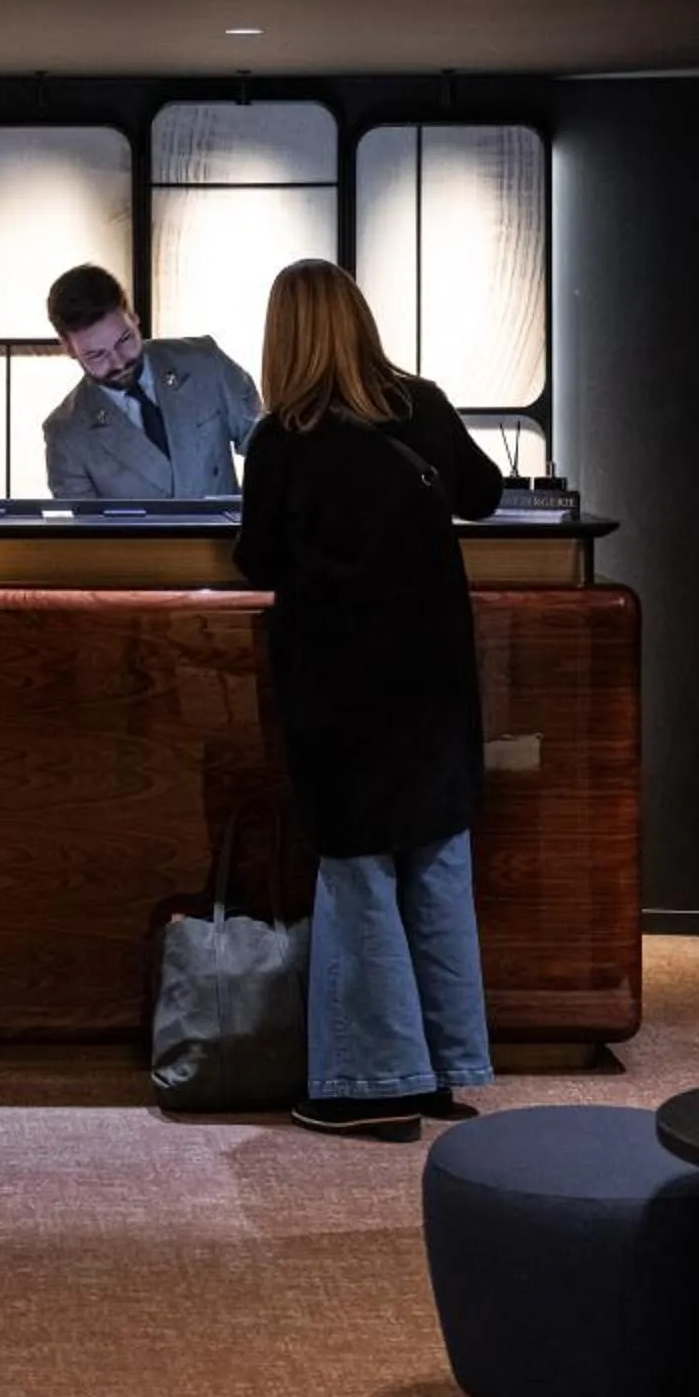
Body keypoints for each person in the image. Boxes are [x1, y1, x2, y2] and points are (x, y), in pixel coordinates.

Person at [235, 258, 504, 1141]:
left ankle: (368, 1081)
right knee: (437, 864)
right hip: (433, 681)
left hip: (340, 687)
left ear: (284, 338)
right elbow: (485, 496)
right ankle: (442, 1068)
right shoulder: (418, 404)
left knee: (357, 874)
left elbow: (259, 558)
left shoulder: (284, 436)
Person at [40, 264, 262, 501]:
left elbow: (268, 445)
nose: (118, 362)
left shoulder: (203, 362)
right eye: (97, 355)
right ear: (69, 349)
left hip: (230, 537)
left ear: (132, 315)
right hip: (141, 541)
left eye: (124, 340)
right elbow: (86, 535)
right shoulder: (67, 433)